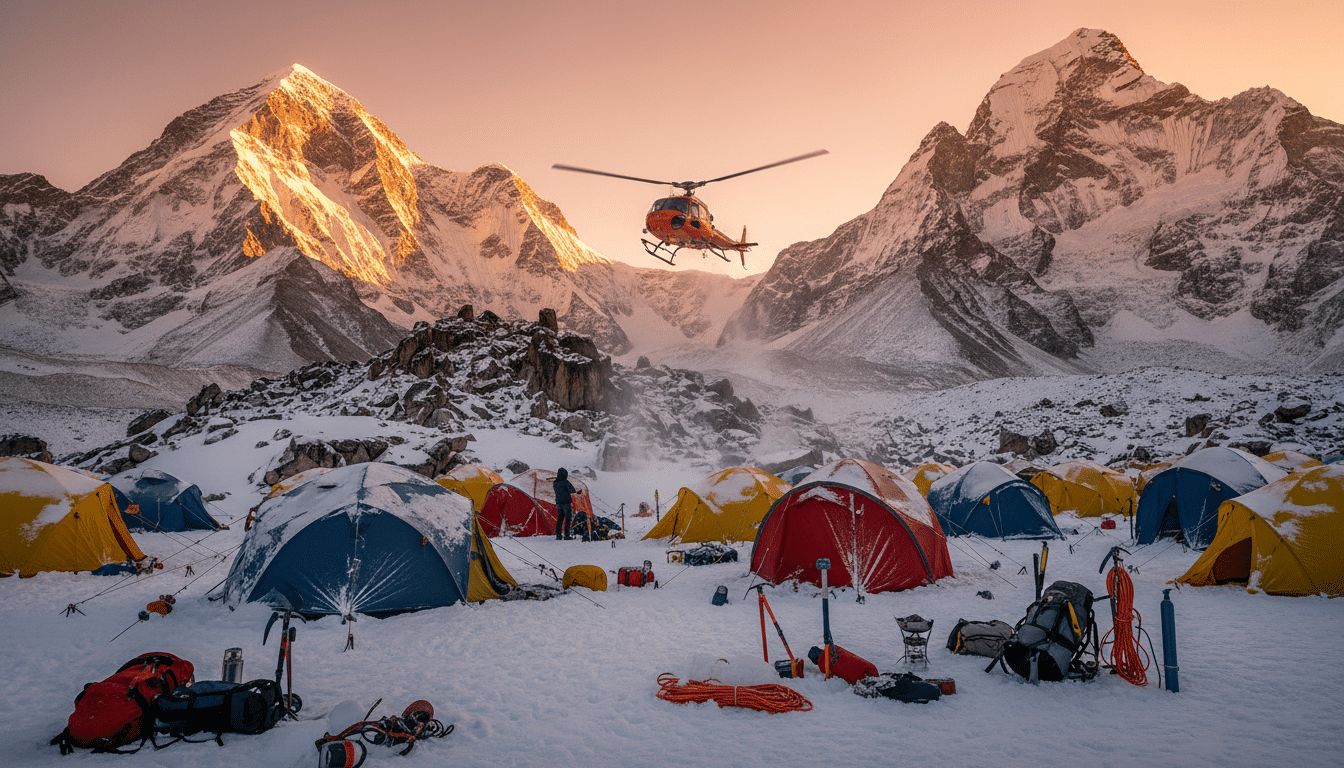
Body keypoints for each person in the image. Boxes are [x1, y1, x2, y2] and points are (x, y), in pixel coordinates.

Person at [553, 467, 581, 540]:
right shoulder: (565, 482)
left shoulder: (555, 482)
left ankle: (558, 535)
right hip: (566, 503)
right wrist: (578, 492)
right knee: (568, 519)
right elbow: (572, 490)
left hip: (558, 503)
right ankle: (566, 535)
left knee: (560, 519)